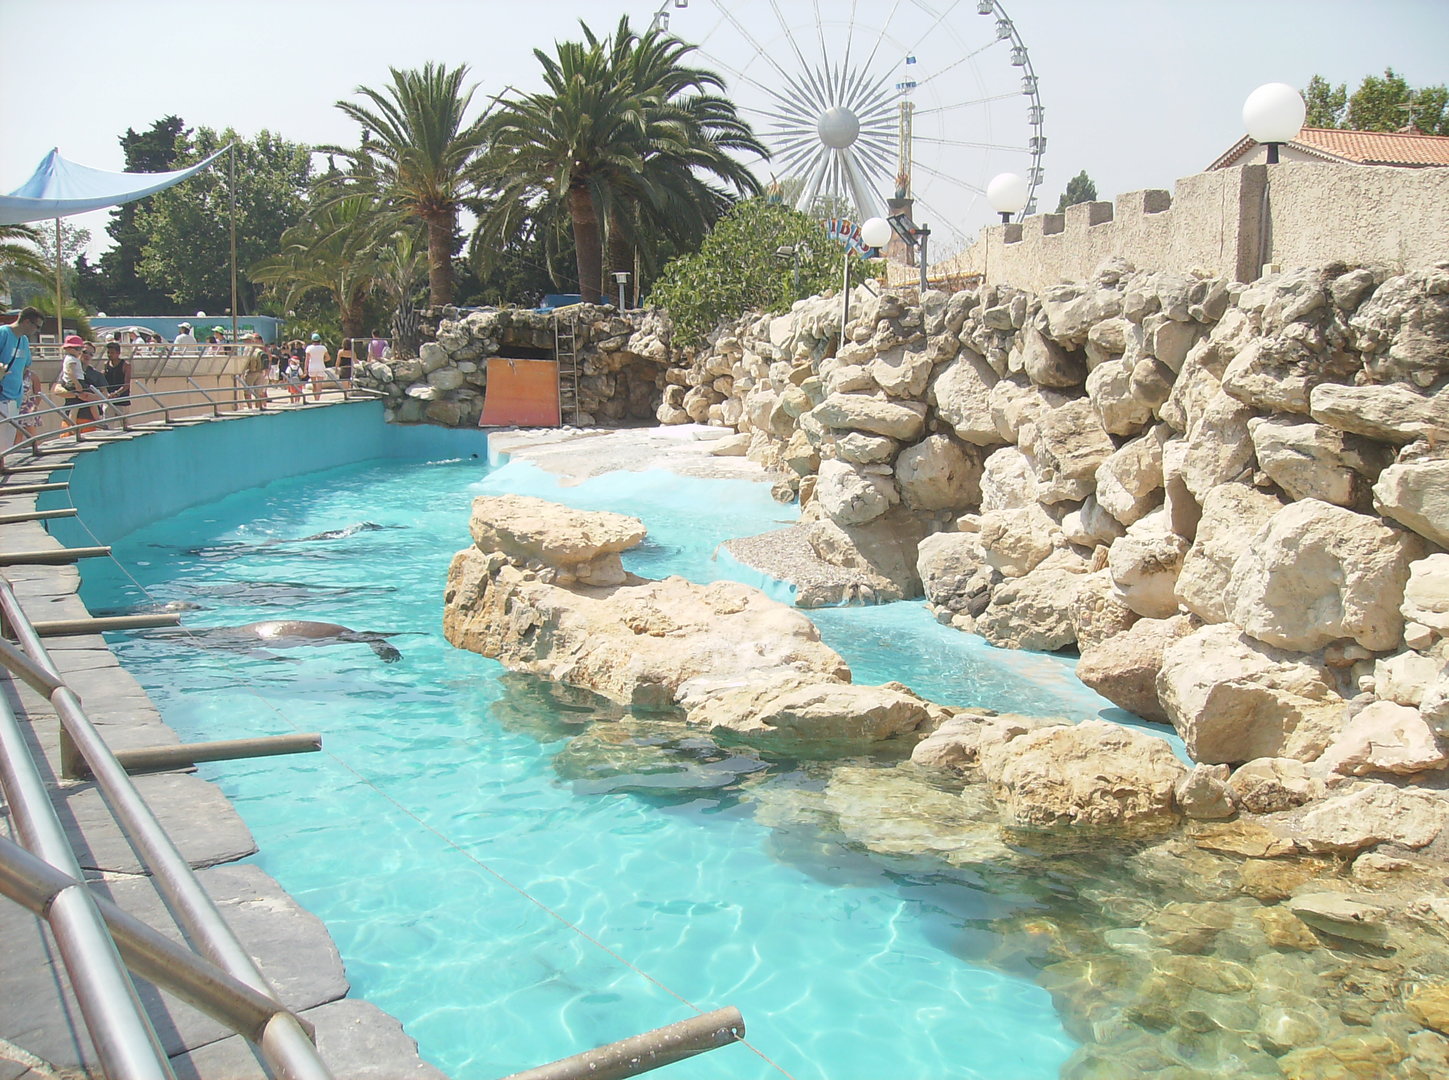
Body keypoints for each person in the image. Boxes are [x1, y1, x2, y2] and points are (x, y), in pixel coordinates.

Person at [1, 307, 44, 454]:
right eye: (36, 326)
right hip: (1, 396)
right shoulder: (3, 333)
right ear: (26, 321)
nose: (37, 331)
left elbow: (26, 366)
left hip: (15, 398)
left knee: (7, 444)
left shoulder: (24, 341)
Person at [241, 332, 269, 410]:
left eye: (245, 340)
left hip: (251, 372)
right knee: (258, 392)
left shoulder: (247, 349)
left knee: (247, 392)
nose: (244, 341)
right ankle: (258, 407)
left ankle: (250, 408)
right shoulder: (258, 349)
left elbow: (245, 361)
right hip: (260, 372)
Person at [103, 340, 131, 419]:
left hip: (122, 400)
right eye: (108, 352)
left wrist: (117, 393)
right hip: (109, 400)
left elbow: (126, 384)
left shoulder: (125, 365)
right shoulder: (106, 364)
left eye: (112, 353)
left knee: (123, 424)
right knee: (108, 424)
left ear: (118, 353)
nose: (109, 355)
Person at [304, 332, 330, 402]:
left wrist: (305, 369)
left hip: (312, 367)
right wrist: (322, 360)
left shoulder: (309, 348)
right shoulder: (323, 348)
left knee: (314, 384)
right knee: (319, 384)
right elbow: (328, 358)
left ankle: (315, 398)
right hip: (321, 366)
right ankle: (318, 399)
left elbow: (307, 360)